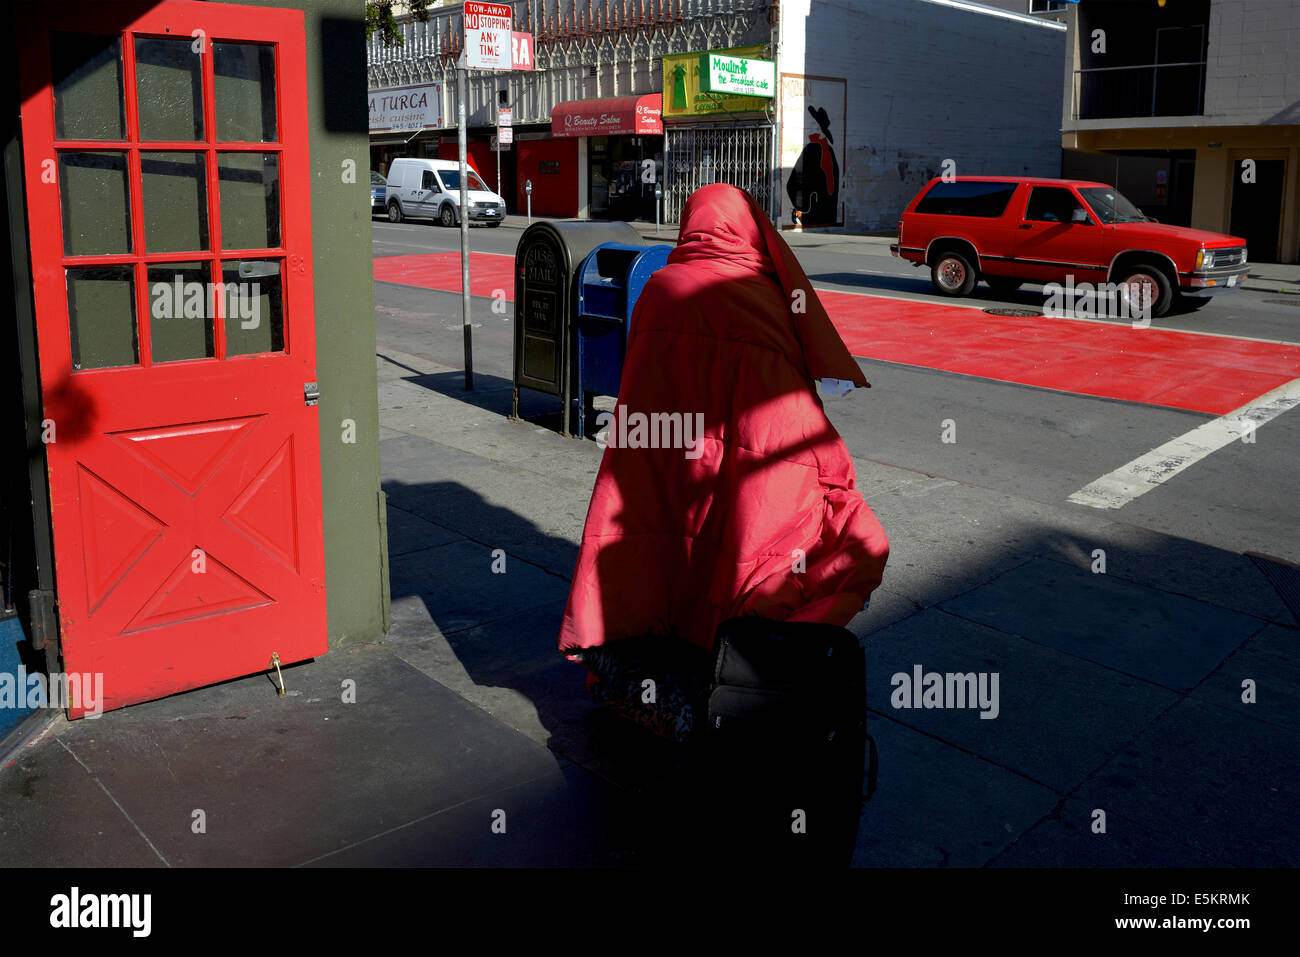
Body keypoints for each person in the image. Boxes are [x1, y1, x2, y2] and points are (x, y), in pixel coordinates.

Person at [558, 183, 889, 665]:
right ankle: (736, 658)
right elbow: (787, 400)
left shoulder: (658, 289)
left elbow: (642, 381)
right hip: (750, 455)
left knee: (671, 539)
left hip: (663, 448)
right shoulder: (763, 296)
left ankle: (661, 650)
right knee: (840, 544)